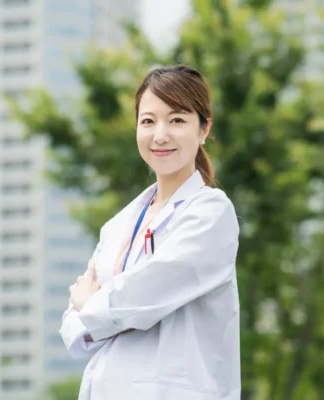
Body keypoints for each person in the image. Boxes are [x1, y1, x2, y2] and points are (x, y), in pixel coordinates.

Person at [59, 64, 241, 400]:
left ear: (204, 129)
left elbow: (148, 294)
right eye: (148, 121)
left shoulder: (211, 214)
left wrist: (94, 305)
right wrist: (100, 311)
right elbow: (72, 325)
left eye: (177, 120)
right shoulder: (118, 226)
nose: (160, 134)